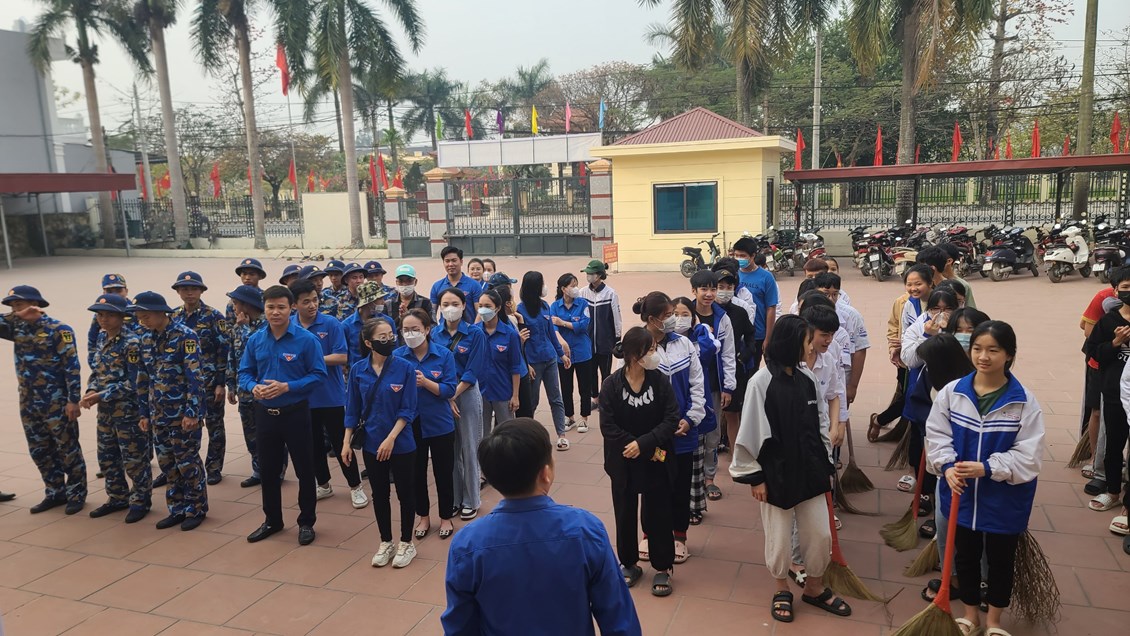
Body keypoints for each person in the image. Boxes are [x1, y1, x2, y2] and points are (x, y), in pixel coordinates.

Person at [442, 418, 641, 634]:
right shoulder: (585, 530)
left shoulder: (467, 544)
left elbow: (459, 626)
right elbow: (619, 619)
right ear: (545, 474)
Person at [730, 314, 850, 623]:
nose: (811, 347)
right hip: (776, 476)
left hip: (811, 470)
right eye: (807, 341)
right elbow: (749, 432)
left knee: (820, 535)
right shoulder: (760, 383)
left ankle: (814, 587)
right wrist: (755, 478)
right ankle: (781, 588)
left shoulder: (807, 378)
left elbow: (820, 422)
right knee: (780, 539)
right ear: (790, 343)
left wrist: (825, 461)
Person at [927, 321, 1044, 635]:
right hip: (961, 494)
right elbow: (937, 435)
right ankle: (970, 617)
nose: (983, 356)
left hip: (1005, 500)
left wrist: (988, 468)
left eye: (993, 350)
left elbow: (1030, 455)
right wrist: (947, 467)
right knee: (965, 557)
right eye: (977, 349)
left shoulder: (1023, 401)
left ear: (1009, 355)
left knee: (1001, 560)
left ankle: (993, 622)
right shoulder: (952, 393)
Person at [239, 285, 328, 546]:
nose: (275, 312)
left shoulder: (306, 340)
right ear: (264, 309)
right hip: (265, 414)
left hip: (295, 413)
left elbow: (319, 374)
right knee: (268, 470)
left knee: (304, 469)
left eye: (281, 307)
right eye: (270, 307)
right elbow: (244, 372)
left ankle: (306, 522)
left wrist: (288, 386)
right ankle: (272, 520)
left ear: (292, 308)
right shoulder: (256, 339)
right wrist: (252, 387)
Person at [598, 326, 681, 597]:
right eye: (650, 350)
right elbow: (608, 425)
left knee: (658, 512)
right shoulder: (611, 384)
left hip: (655, 458)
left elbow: (671, 418)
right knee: (624, 512)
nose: (655, 354)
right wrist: (630, 445)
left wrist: (643, 444)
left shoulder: (659, 381)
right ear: (634, 355)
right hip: (622, 460)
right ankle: (629, 563)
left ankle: (662, 566)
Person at [1, 286, 86, 515]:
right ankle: (55, 492)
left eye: (19, 304)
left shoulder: (59, 329)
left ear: (35, 304)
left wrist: (73, 400)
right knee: (39, 449)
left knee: (67, 448)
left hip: (56, 401)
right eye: (12, 306)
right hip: (28, 401)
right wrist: (15, 315)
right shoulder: (16, 327)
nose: (15, 309)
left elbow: (72, 366)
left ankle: (77, 493)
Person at [343, 317, 419, 568]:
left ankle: (407, 542)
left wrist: (391, 438)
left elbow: (408, 409)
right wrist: (346, 442)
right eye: (382, 337)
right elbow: (352, 409)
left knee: (406, 493)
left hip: (401, 442)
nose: (389, 340)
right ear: (369, 342)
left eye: (391, 336)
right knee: (380, 494)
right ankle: (386, 541)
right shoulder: (358, 370)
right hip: (372, 443)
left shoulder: (405, 368)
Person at [131, 291, 207, 530]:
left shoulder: (185, 336)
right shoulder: (144, 338)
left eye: (146, 316)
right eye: (139, 317)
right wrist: (144, 413)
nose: (142, 321)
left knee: (187, 463)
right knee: (168, 465)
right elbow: (143, 378)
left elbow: (195, 377)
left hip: (182, 415)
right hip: (158, 414)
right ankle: (177, 508)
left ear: (160, 313)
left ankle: (196, 508)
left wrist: (192, 412)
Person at [289, 279, 367, 509]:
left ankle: (355, 486)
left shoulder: (331, 324)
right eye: (306, 302)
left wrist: (311, 360)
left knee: (341, 442)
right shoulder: (290, 326)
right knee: (312, 445)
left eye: (315, 300)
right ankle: (323, 484)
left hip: (330, 396)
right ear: (294, 305)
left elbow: (342, 357)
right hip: (303, 397)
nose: (312, 305)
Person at [81, 293, 151, 523]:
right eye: (100, 315)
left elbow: (135, 382)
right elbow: (97, 371)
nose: (103, 319)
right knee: (107, 456)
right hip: (105, 411)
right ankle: (118, 497)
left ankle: (141, 501)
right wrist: (91, 389)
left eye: (109, 315)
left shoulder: (131, 343)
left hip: (127, 410)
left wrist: (102, 394)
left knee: (134, 458)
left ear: (122, 317)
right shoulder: (102, 337)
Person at [395, 309, 458, 540]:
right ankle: (423, 516)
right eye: (406, 330)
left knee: (444, 472)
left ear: (427, 329)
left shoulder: (443, 355)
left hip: (440, 423)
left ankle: (446, 517)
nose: (410, 334)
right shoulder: (398, 356)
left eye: (415, 329)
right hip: (411, 424)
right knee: (416, 474)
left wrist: (426, 383)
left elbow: (450, 389)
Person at [432, 288, 487, 521]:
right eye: (445, 304)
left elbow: (473, 371)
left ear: (464, 306)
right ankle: (455, 498)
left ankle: (472, 499)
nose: (450, 309)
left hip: (465, 394)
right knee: (450, 450)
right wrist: (446, 396)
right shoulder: (434, 334)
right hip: (442, 396)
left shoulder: (475, 334)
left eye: (455, 304)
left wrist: (452, 395)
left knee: (470, 447)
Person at [171, 272, 229, 486]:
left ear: (202, 291)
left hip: (210, 382)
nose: (189, 293)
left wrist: (221, 382)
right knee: (182, 428)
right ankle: (181, 469)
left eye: (194, 288)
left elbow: (224, 350)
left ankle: (214, 467)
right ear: (178, 291)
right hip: (183, 386)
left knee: (215, 427)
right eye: (184, 289)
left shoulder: (214, 316)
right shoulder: (173, 316)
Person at [870, 263, 934, 442]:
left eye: (918, 284)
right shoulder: (906, 303)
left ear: (930, 282)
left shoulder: (940, 302)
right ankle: (880, 421)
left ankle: (880, 420)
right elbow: (900, 329)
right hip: (910, 360)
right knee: (910, 397)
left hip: (933, 363)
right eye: (909, 284)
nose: (913, 288)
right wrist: (895, 348)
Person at [1084, 266, 1130, 514]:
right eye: (1126, 287)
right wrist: (1115, 343)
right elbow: (1093, 353)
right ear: (1115, 291)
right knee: (1114, 444)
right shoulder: (1109, 321)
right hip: (1114, 393)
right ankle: (1112, 491)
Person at [688, 271, 735, 502]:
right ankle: (691, 477)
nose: (709, 294)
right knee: (690, 430)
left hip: (714, 385)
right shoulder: (684, 314)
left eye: (713, 289)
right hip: (688, 386)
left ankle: (709, 478)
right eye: (704, 289)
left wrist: (729, 387)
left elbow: (728, 353)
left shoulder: (722, 318)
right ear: (694, 291)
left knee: (713, 434)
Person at [224, 284, 273, 488]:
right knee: (251, 436)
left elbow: (252, 349)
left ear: (247, 305)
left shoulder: (266, 327)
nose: (233, 307)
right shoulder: (238, 327)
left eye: (236, 303)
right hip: (244, 392)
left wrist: (243, 328)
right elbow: (232, 356)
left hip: (263, 392)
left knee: (270, 435)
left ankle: (275, 471)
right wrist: (230, 384)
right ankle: (258, 470)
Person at [517, 272, 572, 449]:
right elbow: (520, 341)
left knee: (556, 398)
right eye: (541, 284)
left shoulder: (545, 306)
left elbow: (551, 334)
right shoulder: (520, 310)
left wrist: (561, 354)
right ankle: (528, 437)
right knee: (532, 401)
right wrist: (526, 363)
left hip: (549, 359)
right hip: (533, 363)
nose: (544, 287)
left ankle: (561, 435)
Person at [1079, 280, 1122, 496]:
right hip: (1104, 370)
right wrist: (1115, 342)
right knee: (1100, 414)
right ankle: (1100, 467)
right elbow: (1087, 331)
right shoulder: (1105, 300)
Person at [711, 261, 757, 451]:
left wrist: (744, 356)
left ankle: (735, 455)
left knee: (733, 414)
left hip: (734, 369)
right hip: (710, 369)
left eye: (729, 287)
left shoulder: (740, 311)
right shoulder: (705, 310)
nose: (725, 291)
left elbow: (751, 335)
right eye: (720, 287)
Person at [476, 289, 524, 436]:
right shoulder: (474, 333)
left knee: (507, 433)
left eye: (488, 306)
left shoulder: (510, 334)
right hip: (480, 392)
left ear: (497, 308)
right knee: (481, 434)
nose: (483, 310)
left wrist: (515, 395)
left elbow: (515, 367)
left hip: (503, 391)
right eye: (480, 306)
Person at [551, 273, 594, 433]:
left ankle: (584, 418)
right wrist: (562, 342)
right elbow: (552, 327)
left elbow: (584, 325)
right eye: (572, 285)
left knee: (585, 387)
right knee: (566, 387)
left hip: (582, 352)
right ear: (563, 289)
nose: (576, 288)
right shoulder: (555, 306)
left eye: (576, 285)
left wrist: (563, 323)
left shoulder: (583, 304)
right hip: (563, 355)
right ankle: (569, 417)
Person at [578, 260, 621, 410]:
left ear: (599, 275)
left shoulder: (610, 293)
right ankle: (595, 398)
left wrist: (617, 338)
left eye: (591, 273)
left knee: (606, 373)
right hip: (588, 341)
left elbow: (616, 317)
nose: (588, 276)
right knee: (591, 372)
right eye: (587, 273)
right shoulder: (583, 292)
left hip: (605, 341)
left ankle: (606, 398)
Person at [732, 236, 779, 370]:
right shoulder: (733, 274)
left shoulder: (766, 277)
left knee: (753, 371)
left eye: (743, 256)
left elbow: (771, 308)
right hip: (736, 333)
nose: (739, 259)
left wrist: (768, 338)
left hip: (757, 334)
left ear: (753, 256)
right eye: (736, 255)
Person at [342, 282, 394, 370]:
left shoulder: (388, 322)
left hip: (386, 371)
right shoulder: (346, 326)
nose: (383, 302)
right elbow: (344, 354)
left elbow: (394, 348)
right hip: (358, 372)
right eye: (379, 299)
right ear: (369, 302)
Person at [86, 273, 137, 366]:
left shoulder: (136, 311)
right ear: (103, 293)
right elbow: (93, 338)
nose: (114, 294)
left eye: (118, 290)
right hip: (107, 361)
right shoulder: (100, 312)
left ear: (126, 291)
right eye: (109, 291)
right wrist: (93, 363)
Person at [430, 246, 482, 323]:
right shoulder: (437, 286)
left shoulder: (474, 285)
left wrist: (474, 328)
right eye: (447, 261)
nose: (450, 264)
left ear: (461, 262)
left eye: (454, 260)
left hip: (468, 328)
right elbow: (432, 312)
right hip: (444, 329)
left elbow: (479, 312)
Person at [226, 257, 267, 324]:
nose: (247, 278)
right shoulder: (233, 301)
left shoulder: (267, 298)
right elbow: (229, 325)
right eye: (244, 274)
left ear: (260, 276)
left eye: (252, 274)